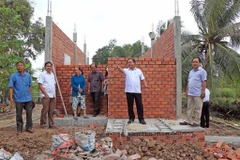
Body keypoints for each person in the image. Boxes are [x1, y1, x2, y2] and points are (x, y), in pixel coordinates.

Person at [115, 58, 148, 125]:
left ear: (134, 63)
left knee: (139, 105)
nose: (129, 63)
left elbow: (143, 79)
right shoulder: (126, 71)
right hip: (129, 91)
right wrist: (118, 67)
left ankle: (141, 119)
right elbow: (121, 70)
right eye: (128, 62)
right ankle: (131, 118)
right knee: (130, 105)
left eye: (130, 62)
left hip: (137, 91)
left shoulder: (139, 71)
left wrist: (146, 86)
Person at [180, 57, 207, 127]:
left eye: (196, 62)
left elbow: (204, 81)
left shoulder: (202, 71)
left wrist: (203, 92)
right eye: (193, 62)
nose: (194, 63)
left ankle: (197, 121)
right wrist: (186, 91)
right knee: (189, 107)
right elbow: (189, 82)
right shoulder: (191, 72)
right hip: (190, 93)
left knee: (198, 108)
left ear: (199, 63)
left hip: (198, 93)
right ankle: (188, 121)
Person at [8, 61, 34, 135]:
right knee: (19, 114)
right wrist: (11, 98)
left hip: (28, 98)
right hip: (18, 98)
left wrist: (31, 97)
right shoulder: (13, 76)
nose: (19, 66)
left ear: (24, 66)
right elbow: (11, 87)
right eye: (18, 65)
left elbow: (30, 86)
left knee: (29, 113)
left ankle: (29, 127)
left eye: (21, 65)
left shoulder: (28, 75)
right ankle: (19, 129)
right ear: (16, 67)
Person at [38, 61, 56, 128]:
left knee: (51, 111)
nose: (49, 67)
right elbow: (40, 85)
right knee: (45, 110)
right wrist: (46, 94)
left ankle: (51, 124)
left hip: (52, 95)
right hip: (45, 95)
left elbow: (53, 85)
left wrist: (54, 95)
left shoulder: (52, 74)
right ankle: (42, 124)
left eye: (50, 66)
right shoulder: (42, 74)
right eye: (47, 66)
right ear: (45, 67)